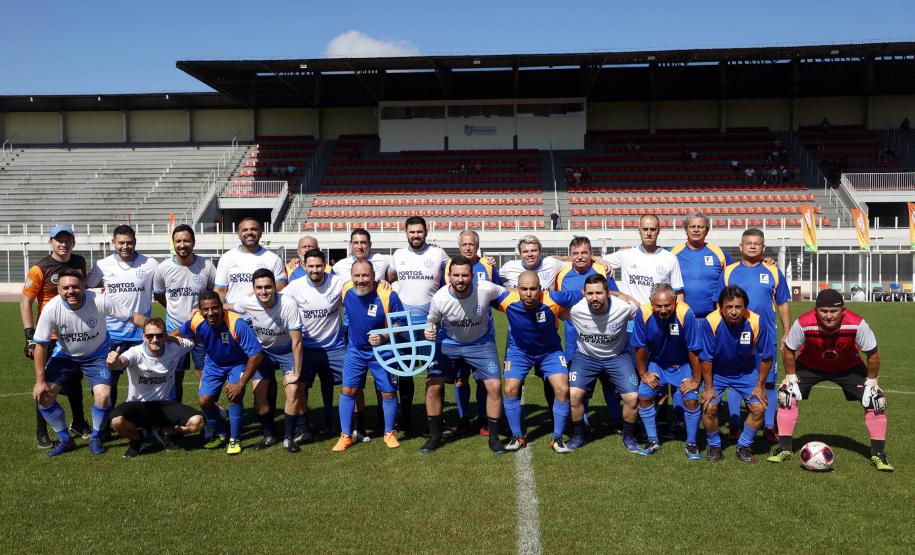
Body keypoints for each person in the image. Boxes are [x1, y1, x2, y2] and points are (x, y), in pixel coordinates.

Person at [767, 289, 893, 471]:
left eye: (833, 311)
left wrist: (872, 382)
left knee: (876, 400)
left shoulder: (857, 323)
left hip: (847, 366)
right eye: (823, 311)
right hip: (810, 365)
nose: (828, 316)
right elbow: (788, 348)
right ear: (815, 310)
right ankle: (784, 448)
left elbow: (873, 353)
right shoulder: (803, 323)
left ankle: (878, 453)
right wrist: (791, 377)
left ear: (843, 310)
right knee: (786, 394)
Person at [31, 269, 148, 456]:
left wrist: (157, 331)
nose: (71, 291)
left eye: (75, 286)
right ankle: (65, 439)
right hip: (65, 356)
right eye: (65, 288)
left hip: (97, 355)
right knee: (43, 397)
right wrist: (40, 381)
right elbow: (41, 346)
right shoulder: (51, 308)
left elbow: (133, 317)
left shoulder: (99, 300)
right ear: (58, 290)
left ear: (84, 287)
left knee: (103, 396)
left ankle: (96, 437)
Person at [423, 256, 507, 454]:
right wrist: (429, 330)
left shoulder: (485, 288)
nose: (460, 279)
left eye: (465, 275)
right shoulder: (440, 298)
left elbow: (507, 294)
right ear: (449, 276)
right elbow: (432, 321)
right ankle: (434, 437)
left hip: (480, 343)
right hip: (449, 343)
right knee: (432, 385)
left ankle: (494, 438)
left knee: (494, 386)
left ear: (472, 276)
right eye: (456, 275)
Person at [496, 271, 582, 453]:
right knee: (510, 389)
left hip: (550, 352)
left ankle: (557, 437)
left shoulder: (554, 299)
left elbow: (584, 292)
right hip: (519, 352)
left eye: (533, 289)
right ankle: (516, 436)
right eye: (524, 289)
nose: (529, 293)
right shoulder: (507, 300)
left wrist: (619, 295)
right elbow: (480, 295)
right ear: (517, 289)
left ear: (541, 289)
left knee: (562, 389)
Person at [285, 249, 366, 442]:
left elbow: (362, 285)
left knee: (355, 384)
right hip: (307, 348)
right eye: (311, 266)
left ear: (325, 266)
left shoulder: (337, 283)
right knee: (298, 386)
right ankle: (303, 428)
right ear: (304, 266)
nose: (315, 270)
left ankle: (359, 427)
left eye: (319, 266)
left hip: (336, 347)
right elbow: (276, 301)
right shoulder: (294, 287)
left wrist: (383, 283)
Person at [214, 217, 287, 432]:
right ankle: (238, 422)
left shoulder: (272, 258)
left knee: (265, 373)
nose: (249, 232)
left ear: (261, 232)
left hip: (264, 321)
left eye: (253, 229)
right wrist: (222, 311)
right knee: (238, 370)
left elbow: (281, 285)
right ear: (238, 233)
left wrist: (258, 304)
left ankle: (268, 421)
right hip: (235, 322)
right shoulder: (228, 258)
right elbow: (220, 290)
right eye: (245, 229)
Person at [21, 224, 91, 448]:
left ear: (73, 242)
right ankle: (42, 431)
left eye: (67, 239)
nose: (63, 243)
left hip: (75, 333)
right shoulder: (39, 269)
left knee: (75, 381)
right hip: (49, 337)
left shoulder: (79, 262)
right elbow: (26, 302)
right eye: (59, 240)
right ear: (50, 242)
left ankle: (79, 422)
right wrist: (30, 336)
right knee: (45, 384)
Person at [718, 228, 790, 443]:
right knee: (735, 379)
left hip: (765, 336)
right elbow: (719, 304)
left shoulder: (773, 271)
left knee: (768, 381)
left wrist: (787, 332)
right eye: (748, 243)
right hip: (735, 336)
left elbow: (783, 303)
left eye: (756, 243)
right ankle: (735, 425)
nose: (752, 246)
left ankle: (769, 427)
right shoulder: (729, 272)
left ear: (763, 247)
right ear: (740, 247)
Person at [86, 224, 159, 431]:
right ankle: (106, 424)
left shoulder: (150, 264)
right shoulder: (102, 265)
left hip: (141, 334)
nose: (125, 247)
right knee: (110, 382)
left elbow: (162, 289)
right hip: (111, 335)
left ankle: (145, 424)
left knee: (145, 381)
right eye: (121, 243)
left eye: (129, 243)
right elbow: (86, 289)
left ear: (135, 242)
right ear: (113, 243)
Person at [174, 291, 264, 455]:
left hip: (237, 364)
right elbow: (180, 331)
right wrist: (162, 337)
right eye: (205, 309)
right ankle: (221, 433)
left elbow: (256, 355)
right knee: (204, 400)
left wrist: (241, 383)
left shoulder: (236, 323)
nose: (210, 313)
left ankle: (234, 439)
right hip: (214, 364)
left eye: (214, 308)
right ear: (200, 310)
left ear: (221, 308)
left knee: (234, 395)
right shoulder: (197, 321)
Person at [559, 274, 640, 453]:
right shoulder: (576, 309)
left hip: (617, 357)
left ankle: (629, 436)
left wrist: (624, 296)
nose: (594, 297)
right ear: (584, 293)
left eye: (599, 293)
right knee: (574, 395)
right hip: (586, 357)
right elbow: (554, 311)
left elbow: (645, 313)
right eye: (590, 293)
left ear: (608, 293)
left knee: (632, 398)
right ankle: (578, 435)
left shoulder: (623, 307)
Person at [557, 236, 631, 431]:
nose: (580, 257)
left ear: (591, 254)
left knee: (609, 384)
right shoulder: (561, 274)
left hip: (605, 336)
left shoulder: (602, 270)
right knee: (579, 386)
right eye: (575, 253)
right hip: (574, 339)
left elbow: (614, 295)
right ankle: (583, 423)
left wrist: (600, 261)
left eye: (584, 253)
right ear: (570, 255)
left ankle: (617, 421)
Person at [226, 269, 303, 453]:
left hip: (286, 350)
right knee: (258, 393)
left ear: (275, 287)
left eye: (268, 287)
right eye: (259, 288)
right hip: (263, 352)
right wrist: (198, 311)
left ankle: (288, 438)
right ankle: (269, 434)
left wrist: (297, 373)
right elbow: (227, 306)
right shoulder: (248, 301)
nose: (263, 291)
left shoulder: (288, 304)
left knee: (293, 389)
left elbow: (297, 341)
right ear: (253, 289)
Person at [333, 260, 406, 452]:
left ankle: (389, 433)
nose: (361, 280)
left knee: (388, 392)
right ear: (351, 276)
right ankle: (345, 435)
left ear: (374, 276)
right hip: (355, 351)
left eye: (365, 275)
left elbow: (401, 322)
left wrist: (384, 335)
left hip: (383, 350)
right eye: (357, 275)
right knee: (348, 390)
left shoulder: (388, 294)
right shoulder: (346, 289)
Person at [105, 317, 204, 458]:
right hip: (138, 405)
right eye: (150, 336)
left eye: (159, 335)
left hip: (166, 404)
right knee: (116, 421)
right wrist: (113, 362)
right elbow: (120, 362)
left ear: (166, 336)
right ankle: (136, 439)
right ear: (143, 337)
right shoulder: (135, 352)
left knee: (197, 422)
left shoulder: (175, 347)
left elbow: (199, 338)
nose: (154, 339)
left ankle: (166, 432)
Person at [386, 216, 449, 434]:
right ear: (406, 233)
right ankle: (406, 419)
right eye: (412, 232)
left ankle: (438, 419)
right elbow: (390, 277)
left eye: (419, 231)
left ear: (426, 232)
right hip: (404, 325)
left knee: (435, 373)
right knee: (405, 372)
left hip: (431, 324)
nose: (416, 235)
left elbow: (450, 275)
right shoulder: (398, 255)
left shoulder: (438, 253)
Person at [699, 286, 774, 462]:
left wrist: (760, 386)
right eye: (729, 307)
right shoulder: (711, 321)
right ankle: (714, 446)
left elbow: (767, 356)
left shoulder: (756, 321)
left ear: (745, 307)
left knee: (759, 408)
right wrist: (708, 387)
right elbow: (706, 358)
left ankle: (743, 446)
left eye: (738, 307)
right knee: (709, 407)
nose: (734, 312)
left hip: (745, 373)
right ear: (721, 307)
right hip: (717, 373)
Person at [631, 283, 703, 459]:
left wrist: (696, 380)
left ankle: (691, 443)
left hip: (683, 364)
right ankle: (653, 440)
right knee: (644, 396)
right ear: (651, 302)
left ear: (675, 302)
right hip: (657, 363)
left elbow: (693, 349)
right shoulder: (643, 313)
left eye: (667, 305)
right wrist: (643, 374)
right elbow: (639, 346)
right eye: (658, 306)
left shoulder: (686, 313)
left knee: (691, 400)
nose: (663, 310)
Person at [441, 230, 500, 437]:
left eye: (471, 244)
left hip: (482, 335)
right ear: (459, 246)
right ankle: (464, 418)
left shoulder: (488, 266)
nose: (467, 247)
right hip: (456, 334)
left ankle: (483, 418)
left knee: (483, 380)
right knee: (460, 380)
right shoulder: (448, 266)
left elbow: (498, 294)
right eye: (464, 244)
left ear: (477, 246)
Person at [153, 223, 216, 403]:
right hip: (175, 331)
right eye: (178, 241)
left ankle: (209, 415)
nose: (182, 245)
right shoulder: (163, 268)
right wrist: (175, 309)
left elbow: (215, 294)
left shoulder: (207, 266)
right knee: (175, 377)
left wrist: (201, 313)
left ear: (193, 242)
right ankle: (176, 414)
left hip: (202, 330)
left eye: (186, 241)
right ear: (173, 243)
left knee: (205, 376)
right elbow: (159, 295)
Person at [671, 214, 732, 319]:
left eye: (700, 227)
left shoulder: (719, 253)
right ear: (686, 230)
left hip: (712, 318)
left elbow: (734, 276)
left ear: (707, 230)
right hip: (680, 318)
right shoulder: (672, 253)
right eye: (692, 227)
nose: (696, 230)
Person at [500, 235, 565, 290]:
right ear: (520, 253)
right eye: (525, 251)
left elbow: (571, 263)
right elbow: (497, 283)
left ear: (540, 252)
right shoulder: (509, 267)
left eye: (533, 250)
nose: (530, 254)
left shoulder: (551, 263)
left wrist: (563, 258)